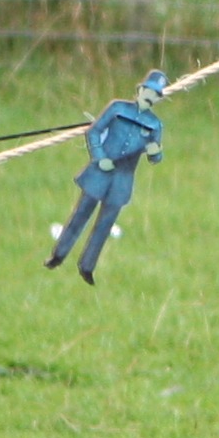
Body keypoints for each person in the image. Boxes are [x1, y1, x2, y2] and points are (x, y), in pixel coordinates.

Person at [46, 71, 166, 282]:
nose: (150, 96)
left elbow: (155, 159)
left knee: (105, 224)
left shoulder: (155, 125)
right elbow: (94, 132)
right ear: (139, 90)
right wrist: (99, 157)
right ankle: (58, 255)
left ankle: (87, 266)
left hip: (122, 180)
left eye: (155, 94)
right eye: (147, 91)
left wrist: (155, 152)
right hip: (100, 173)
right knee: (80, 214)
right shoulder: (118, 108)